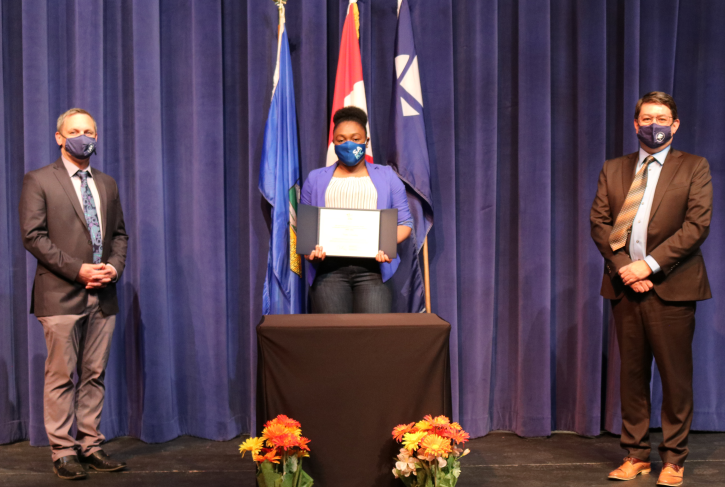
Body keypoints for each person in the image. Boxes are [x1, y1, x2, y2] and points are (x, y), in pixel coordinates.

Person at [590, 92, 712, 486]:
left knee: (676, 378)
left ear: (674, 125)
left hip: (672, 287)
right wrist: (627, 268)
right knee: (632, 376)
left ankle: (674, 459)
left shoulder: (694, 167)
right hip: (626, 289)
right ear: (635, 123)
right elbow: (600, 223)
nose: (653, 124)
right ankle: (636, 455)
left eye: (662, 118)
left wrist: (650, 265)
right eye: (646, 117)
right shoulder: (613, 169)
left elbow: (696, 226)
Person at [19, 108, 129, 480]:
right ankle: (63, 451)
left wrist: (112, 268)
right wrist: (78, 270)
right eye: (76, 131)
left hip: (104, 294)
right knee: (62, 375)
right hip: (60, 294)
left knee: (94, 374)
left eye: (89, 131)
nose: (84, 137)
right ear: (59, 137)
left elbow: (118, 236)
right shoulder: (38, 180)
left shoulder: (107, 183)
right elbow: (33, 237)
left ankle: (91, 445)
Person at [300, 106, 413, 313]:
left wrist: (384, 243)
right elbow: (306, 228)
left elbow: (405, 224)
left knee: (371, 339)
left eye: (355, 138)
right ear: (333, 143)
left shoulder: (387, 177)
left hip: (374, 272)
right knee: (335, 339)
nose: (348, 144)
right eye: (341, 140)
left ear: (366, 142)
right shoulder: (315, 178)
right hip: (328, 272)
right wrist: (310, 251)